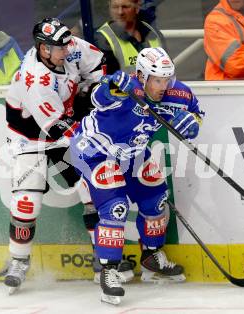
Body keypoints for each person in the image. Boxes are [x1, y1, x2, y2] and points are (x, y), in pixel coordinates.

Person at [70, 47, 205, 305]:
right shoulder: (126, 88)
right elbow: (98, 98)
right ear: (142, 76)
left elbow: (197, 114)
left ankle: (151, 256)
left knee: (155, 197)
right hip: (96, 151)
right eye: (157, 80)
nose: (163, 86)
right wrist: (111, 86)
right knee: (116, 207)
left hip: (133, 153)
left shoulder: (178, 93)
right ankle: (109, 271)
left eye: (167, 79)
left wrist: (192, 124)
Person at [3, 17, 107, 293]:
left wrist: (97, 90)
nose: (67, 49)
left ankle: (105, 258)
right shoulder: (35, 78)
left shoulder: (68, 47)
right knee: (27, 201)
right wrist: (94, 135)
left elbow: (97, 65)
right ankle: (18, 261)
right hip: (31, 138)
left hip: (63, 127)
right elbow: (56, 127)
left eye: (65, 43)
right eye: (59, 47)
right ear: (43, 49)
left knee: (92, 190)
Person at [95, 0, 166, 74]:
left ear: (137, 7)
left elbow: (168, 70)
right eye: (115, 7)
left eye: (125, 7)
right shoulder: (103, 38)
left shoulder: (152, 32)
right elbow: (106, 80)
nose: (120, 12)